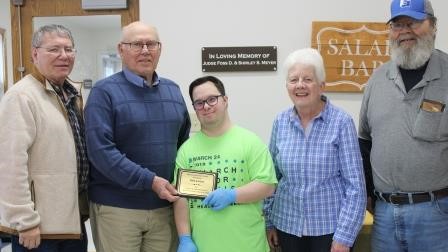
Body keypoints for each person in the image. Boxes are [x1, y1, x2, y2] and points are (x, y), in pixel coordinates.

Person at [84, 21, 191, 252]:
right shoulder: (103, 92)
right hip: (118, 209)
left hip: (165, 208)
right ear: (121, 50)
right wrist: (150, 181)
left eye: (151, 44)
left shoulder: (173, 91)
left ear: (160, 49)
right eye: (136, 44)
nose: (145, 50)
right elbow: (101, 152)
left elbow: (184, 145)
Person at [359, 0, 448, 251]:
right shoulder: (377, 79)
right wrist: (367, 193)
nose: (405, 30)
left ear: (434, 26)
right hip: (384, 215)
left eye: (414, 22)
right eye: (397, 24)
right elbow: (365, 142)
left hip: (437, 214)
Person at [263, 48, 366, 252]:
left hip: (330, 229)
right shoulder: (281, 121)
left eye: (307, 79)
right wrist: (269, 221)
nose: (300, 85)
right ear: (287, 86)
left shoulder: (341, 122)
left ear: (321, 86)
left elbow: (355, 187)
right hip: (287, 225)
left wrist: (344, 237)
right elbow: (271, 176)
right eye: (293, 80)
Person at [0, 24, 89, 251]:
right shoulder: (21, 97)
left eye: (69, 49)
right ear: (35, 54)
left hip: (70, 222)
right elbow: (9, 165)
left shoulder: (72, 94)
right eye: (54, 49)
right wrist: (25, 221)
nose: (64, 56)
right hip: (38, 228)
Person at [173, 75, 277, 252]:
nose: (206, 106)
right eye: (199, 103)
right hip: (204, 246)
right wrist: (185, 238)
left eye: (212, 99)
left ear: (225, 100)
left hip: (248, 246)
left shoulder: (250, 142)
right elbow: (180, 198)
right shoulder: (186, 150)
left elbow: (267, 186)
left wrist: (232, 195)